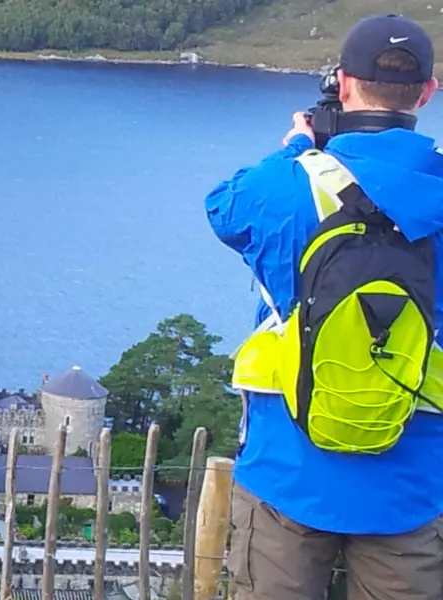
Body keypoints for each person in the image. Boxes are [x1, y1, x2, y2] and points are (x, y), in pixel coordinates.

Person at [204, 13, 443, 600]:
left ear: (342, 81)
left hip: (288, 469)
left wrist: (295, 146)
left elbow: (223, 208)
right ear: (427, 91)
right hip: (412, 482)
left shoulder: (289, 184)